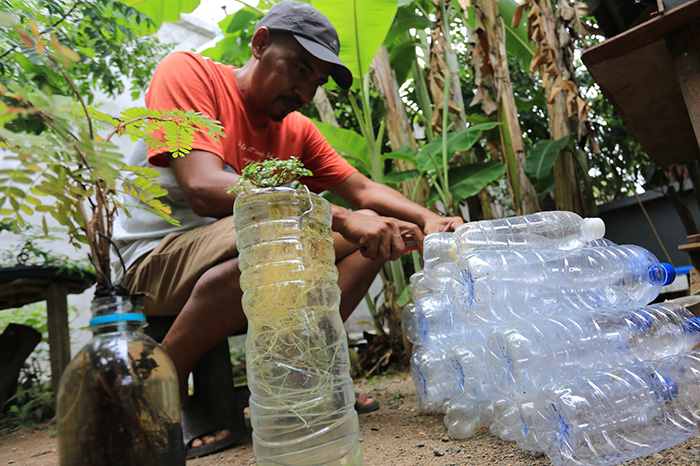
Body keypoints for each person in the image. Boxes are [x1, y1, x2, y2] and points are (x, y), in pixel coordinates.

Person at [112, 0, 463, 459]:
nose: (303, 90)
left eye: (315, 82)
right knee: (283, 231)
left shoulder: (296, 128)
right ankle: (163, 379)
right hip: (152, 260)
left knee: (374, 241)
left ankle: (305, 376)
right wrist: (336, 217)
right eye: (298, 68)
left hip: (232, 253)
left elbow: (360, 188)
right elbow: (201, 187)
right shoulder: (190, 73)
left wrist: (426, 218)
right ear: (259, 44)